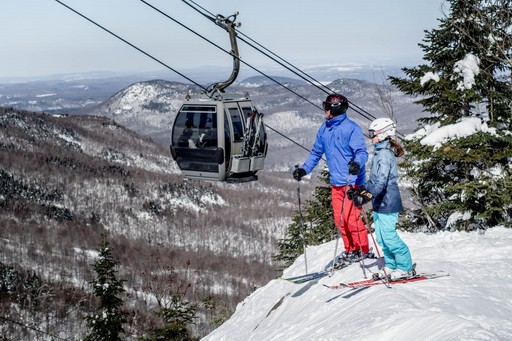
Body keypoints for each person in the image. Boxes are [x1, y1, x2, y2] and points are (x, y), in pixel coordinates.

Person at [293, 93, 371, 262]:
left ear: (335, 109)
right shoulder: (325, 128)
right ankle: (350, 250)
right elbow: (316, 152)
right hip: (336, 183)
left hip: (352, 182)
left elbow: (362, 152)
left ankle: (362, 251)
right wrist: (304, 170)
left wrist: (357, 164)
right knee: (340, 220)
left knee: (353, 220)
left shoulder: (351, 128)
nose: (325, 110)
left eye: (327, 107)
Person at [349, 117, 414, 279]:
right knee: (382, 238)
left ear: (385, 134)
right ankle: (391, 265)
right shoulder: (380, 152)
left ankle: (405, 267)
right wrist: (361, 192)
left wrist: (365, 198)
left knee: (389, 237)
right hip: (380, 202)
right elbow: (373, 180)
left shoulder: (385, 154)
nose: (372, 137)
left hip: (388, 202)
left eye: (374, 134)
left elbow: (381, 181)